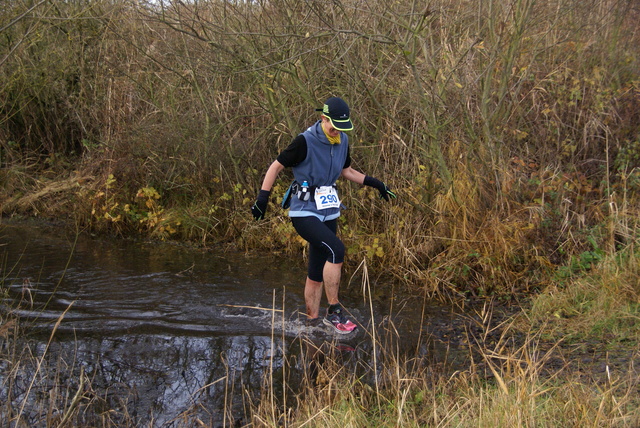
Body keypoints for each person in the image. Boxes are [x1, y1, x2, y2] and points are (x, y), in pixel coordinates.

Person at [251, 97, 395, 334]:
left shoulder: (343, 140)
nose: (337, 130)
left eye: (341, 127)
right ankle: (334, 310)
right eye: (333, 125)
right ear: (323, 118)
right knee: (336, 250)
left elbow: (346, 170)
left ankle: (312, 322)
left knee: (316, 271)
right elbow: (276, 166)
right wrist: (262, 198)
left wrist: (376, 183)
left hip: (329, 210)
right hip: (304, 211)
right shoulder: (304, 141)